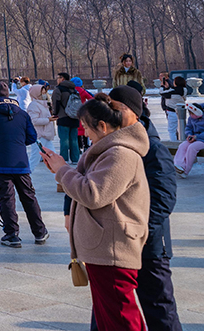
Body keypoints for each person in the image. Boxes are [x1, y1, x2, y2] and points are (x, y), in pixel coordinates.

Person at [42, 95, 150, 331]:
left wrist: (62, 170)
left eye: (87, 127)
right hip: (105, 247)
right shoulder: (108, 151)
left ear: (102, 127)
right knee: (110, 316)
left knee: (120, 317)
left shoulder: (119, 154)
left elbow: (93, 194)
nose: (85, 133)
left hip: (113, 248)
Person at [101, 86, 182, 331]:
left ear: (134, 112)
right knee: (108, 309)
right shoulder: (107, 142)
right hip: (114, 243)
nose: (112, 115)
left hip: (148, 244)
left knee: (159, 307)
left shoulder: (153, 148)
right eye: (109, 109)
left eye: (117, 109)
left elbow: (164, 196)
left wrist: (139, 231)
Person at [0, 83, 49, 248]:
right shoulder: (22, 114)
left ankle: (11, 234)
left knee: (7, 199)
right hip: (21, 162)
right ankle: (39, 232)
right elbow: (31, 137)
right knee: (29, 197)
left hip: (0, 162)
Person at [51, 73, 81, 169]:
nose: (57, 80)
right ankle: (75, 159)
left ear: (62, 79)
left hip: (63, 117)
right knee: (74, 139)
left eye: (58, 78)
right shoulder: (74, 90)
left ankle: (64, 159)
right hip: (74, 117)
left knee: (64, 140)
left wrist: (55, 113)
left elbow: (56, 103)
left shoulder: (58, 89)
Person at [26, 84, 56, 171]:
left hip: (46, 135)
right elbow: (33, 120)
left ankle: (59, 179)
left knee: (53, 157)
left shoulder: (44, 104)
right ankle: (26, 175)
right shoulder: (34, 105)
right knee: (35, 158)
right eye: (42, 92)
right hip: (39, 136)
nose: (45, 94)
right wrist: (48, 119)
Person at [174, 103, 204, 176]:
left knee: (192, 148)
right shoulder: (191, 118)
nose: (191, 115)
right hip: (193, 138)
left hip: (202, 139)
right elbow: (188, 128)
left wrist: (196, 137)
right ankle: (178, 165)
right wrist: (189, 135)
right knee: (182, 146)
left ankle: (186, 170)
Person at [160, 76, 187, 142]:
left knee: (172, 130)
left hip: (172, 111)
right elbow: (172, 92)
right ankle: (182, 141)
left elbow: (162, 93)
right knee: (181, 128)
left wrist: (162, 87)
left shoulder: (172, 91)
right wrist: (168, 88)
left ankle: (174, 143)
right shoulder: (184, 90)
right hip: (181, 111)